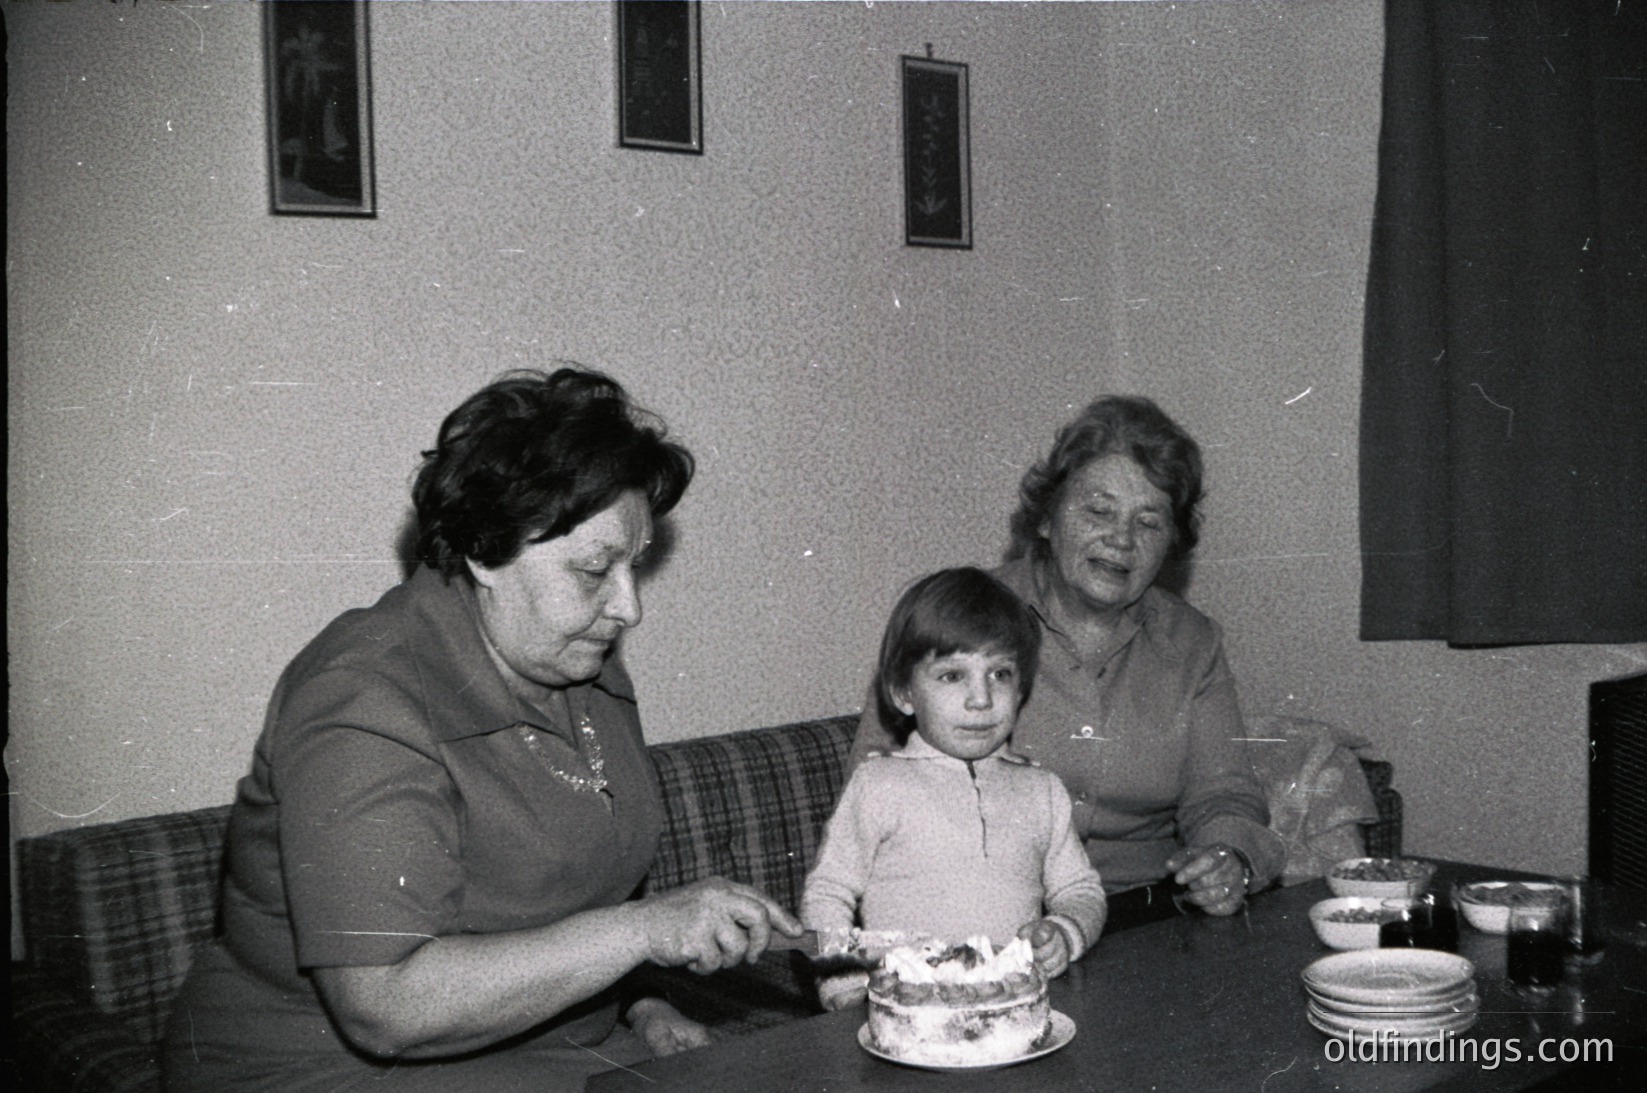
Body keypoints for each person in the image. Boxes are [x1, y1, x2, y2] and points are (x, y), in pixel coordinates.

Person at [162, 367, 802, 1092]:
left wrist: (642, 999)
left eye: (636, 565)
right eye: (595, 569)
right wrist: (644, 932)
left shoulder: (580, 663)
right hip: (319, 1071)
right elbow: (383, 1004)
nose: (629, 608)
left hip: (544, 1054)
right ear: (483, 552)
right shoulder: (364, 695)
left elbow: (585, 880)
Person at [850, 396, 1284, 931]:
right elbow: (874, 781)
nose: (1121, 540)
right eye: (1098, 511)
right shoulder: (956, 617)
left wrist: (1229, 858)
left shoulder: (1192, 643)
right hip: (979, 919)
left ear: (1172, 542)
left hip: (1144, 920)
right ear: (1048, 519)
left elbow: (1225, 794)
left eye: (1149, 522)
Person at [803, 567, 1107, 1011]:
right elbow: (827, 895)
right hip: (909, 1011)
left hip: (1011, 1008)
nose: (981, 699)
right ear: (904, 694)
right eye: (952, 676)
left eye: (1000, 674)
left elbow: (1081, 890)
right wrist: (846, 989)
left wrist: (1065, 931)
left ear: (1022, 688)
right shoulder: (879, 784)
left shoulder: (1042, 791)